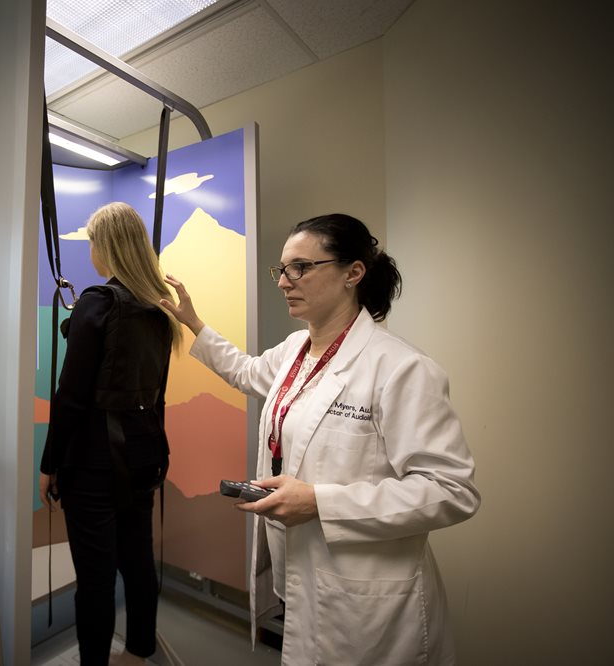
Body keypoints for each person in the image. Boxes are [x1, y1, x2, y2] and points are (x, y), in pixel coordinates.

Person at [160, 213, 480, 665]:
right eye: (282, 269)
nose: (285, 281)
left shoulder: (402, 369)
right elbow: (248, 371)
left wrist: (320, 503)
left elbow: (452, 491)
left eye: (301, 268)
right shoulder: (295, 350)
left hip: (367, 598)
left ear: (353, 273)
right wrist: (194, 322)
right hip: (304, 577)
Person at [39, 202, 182, 666]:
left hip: (94, 464)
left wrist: (50, 465)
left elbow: (72, 398)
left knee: (95, 578)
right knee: (138, 560)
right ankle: (140, 649)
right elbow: (155, 395)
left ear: (108, 246)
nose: (93, 252)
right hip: (143, 456)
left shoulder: (98, 302)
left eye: (94, 242)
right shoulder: (159, 310)